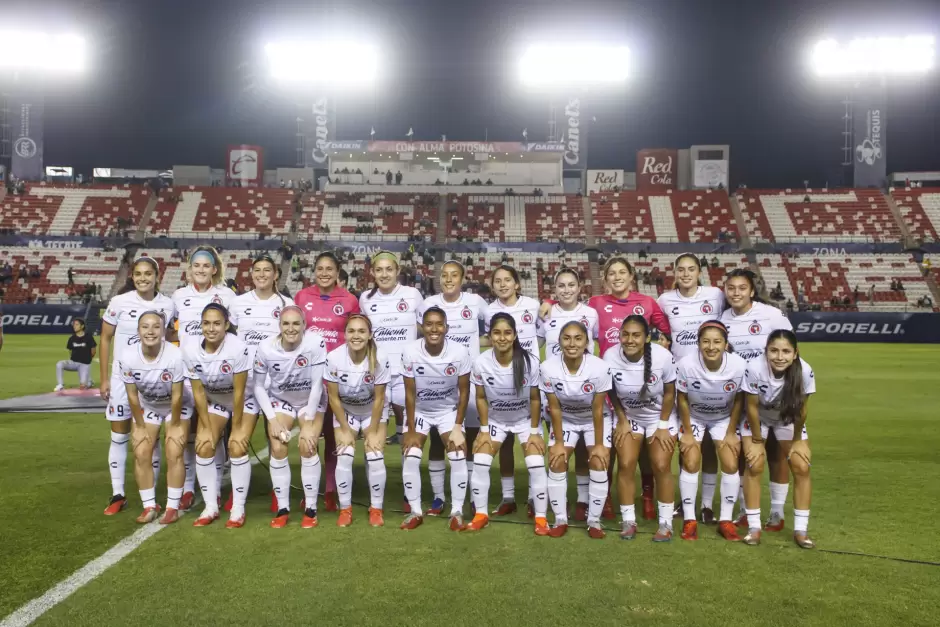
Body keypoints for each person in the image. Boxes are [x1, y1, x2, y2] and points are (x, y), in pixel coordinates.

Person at [589, 256, 672, 519]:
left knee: (647, 449)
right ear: (605, 279)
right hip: (610, 386)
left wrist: (664, 342)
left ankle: (647, 495)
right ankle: (605, 499)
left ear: (631, 276)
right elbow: (572, 314)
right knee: (613, 447)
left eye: (621, 272)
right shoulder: (595, 303)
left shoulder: (646, 303)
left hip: (641, 385)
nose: (616, 277)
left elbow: (666, 329)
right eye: (611, 273)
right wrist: (550, 303)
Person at [99, 256, 176, 516]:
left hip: (154, 381)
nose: (143, 278)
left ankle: (150, 497)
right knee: (120, 436)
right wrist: (105, 377)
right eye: (138, 274)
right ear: (132, 276)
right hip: (123, 380)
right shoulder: (119, 302)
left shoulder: (168, 304)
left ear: (157, 276)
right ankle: (118, 493)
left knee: (149, 438)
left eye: (148, 274)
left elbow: (171, 338)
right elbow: (106, 338)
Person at [719, 268, 794, 526]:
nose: (736, 293)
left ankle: (777, 511)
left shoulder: (771, 315)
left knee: (776, 453)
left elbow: (792, 350)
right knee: (743, 455)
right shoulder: (722, 320)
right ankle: (744, 510)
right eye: (731, 288)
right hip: (740, 397)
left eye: (742, 288)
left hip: (773, 396)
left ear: (752, 291)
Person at [657, 253, 726, 523]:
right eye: (681, 270)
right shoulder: (665, 300)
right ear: (675, 272)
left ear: (699, 272)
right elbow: (655, 328)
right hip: (679, 381)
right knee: (683, 443)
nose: (686, 274)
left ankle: (707, 505)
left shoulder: (716, 295)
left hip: (712, 379)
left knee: (709, 445)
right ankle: (681, 502)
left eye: (691, 269)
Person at [465, 313, 548, 535]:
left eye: (507, 333)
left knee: (536, 463)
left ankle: (541, 518)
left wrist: (534, 432)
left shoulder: (530, 361)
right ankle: (480, 514)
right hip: (496, 421)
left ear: (514, 336)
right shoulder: (481, 362)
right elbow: (480, 398)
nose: (502, 338)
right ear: (490, 336)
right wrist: (483, 431)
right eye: (497, 333)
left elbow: (535, 399)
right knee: (481, 460)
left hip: (525, 422)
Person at [418, 261, 489, 516]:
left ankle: (469, 494)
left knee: (467, 438)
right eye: (444, 275)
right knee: (438, 440)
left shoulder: (476, 302)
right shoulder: (428, 304)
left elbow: (499, 323)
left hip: (469, 380)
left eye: (454, 275)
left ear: (463, 278)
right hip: (439, 382)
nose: (449, 279)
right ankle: (438, 497)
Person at [227, 254, 295, 515]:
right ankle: (237, 496)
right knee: (238, 441)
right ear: (251, 274)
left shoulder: (286, 303)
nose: (262, 275)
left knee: (277, 441)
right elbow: (230, 337)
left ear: (276, 274)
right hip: (246, 383)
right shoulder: (238, 303)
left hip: (276, 385)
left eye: (268, 270)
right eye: (258, 270)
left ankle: (280, 497)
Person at [172, 245, 235, 511]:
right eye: (196, 265)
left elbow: (236, 332)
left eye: (205, 266)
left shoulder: (227, 295)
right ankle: (187, 486)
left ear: (214, 269)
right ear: (189, 269)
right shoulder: (177, 297)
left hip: (217, 377)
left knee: (213, 433)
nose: (200, 270)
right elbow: (167, 332)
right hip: (187, 375)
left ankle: (216, 487)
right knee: (188, 434)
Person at [182, 304, 257, 527]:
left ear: (226, 325)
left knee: (237, 445)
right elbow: (197, 391)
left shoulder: (238, 348)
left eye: (217, 323)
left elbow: (240, 391)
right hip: (215, 400)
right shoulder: (190, 348)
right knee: (204, 445)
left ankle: (238, 509)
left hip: (243, 401)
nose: (211, 328)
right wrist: (207, 429)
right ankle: (210, 507)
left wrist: (235, 429)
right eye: (206, 323)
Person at [253, 306, 328, 528]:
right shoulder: (265, 347)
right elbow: (258, 387)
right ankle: (283, 509)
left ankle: (311, 509)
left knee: (308, 444)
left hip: (309, 401)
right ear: (279, 326)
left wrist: (309, 423)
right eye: (286, 324)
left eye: (296, 323)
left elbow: (317, 384)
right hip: (281, 400)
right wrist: (272, 420)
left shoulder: (315, 343)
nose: (291, 328)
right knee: (277, 446)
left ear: (304, 325)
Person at [399, 307, 473, 531]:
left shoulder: (459, 352)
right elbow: (410, 394)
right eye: (429, 324)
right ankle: (415, 511)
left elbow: (464, 393)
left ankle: (457, 511)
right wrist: (411, 430)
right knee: (411, 454)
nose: (434, 329)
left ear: (446, 328)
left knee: (458, 452)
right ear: (422, 327)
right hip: (420, 411)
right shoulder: (410, 352)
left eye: (439, 324)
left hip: (447, 412)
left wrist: (458, 426)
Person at [740, 329, 815, 548]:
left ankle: (801, 530)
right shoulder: (754, 368)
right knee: (754, 465)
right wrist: (756, 441)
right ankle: (754, 528)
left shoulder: (805, 371)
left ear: (795, 353)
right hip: (758, 419)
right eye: (773, 351)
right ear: (766, 352)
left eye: (785, 351)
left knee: (802, 466)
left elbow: (801, 410)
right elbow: (751, 407)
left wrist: (798, 440)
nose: (779, 357)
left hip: (787, 419)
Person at [605, 315, 677, 541]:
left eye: (636, 335)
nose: (629, 340)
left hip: (660, 417)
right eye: (625, 334)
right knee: (625, 464)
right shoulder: (610, 356)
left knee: (661, 464)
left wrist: (663, 426)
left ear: (647, 337)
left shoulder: (662, 356)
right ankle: (628, 521)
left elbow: (670, 393)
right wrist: (622, 418)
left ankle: (665, 524)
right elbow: (611, 391)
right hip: (630, 416)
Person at [536, 268, 599, 520]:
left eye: (571, 285)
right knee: (555, 446)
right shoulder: (546, 314)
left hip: (584, 391)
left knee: (584, 446)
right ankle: (550, 498)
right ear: (554, 289)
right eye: (560, 286)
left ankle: (583, 501)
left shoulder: (590, 314)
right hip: (553, 391)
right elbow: (535, 344)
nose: (566, 290)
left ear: (580, 287)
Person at [120, 311, 193, 524]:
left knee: (174, 449)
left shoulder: (176, 355)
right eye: (145, 326)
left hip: (176, 406)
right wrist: (140, 427)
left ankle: (172, 507)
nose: (150, 331)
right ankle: (149, 505)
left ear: (163, 331)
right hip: (150, 405)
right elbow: (132, 395)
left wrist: (177, 425)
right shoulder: (127, 357)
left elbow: (178, 395)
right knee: (141, 450)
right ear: (138, 330)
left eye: (155, 327)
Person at [675, 321, 746, 542]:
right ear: (698, 344)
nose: (711, 346)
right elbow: (682, 398)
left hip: (723, 418)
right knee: (691, 460)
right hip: (694, 417)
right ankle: (689, 519)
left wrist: (732, 431)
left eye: (717, 342)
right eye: (705, 341)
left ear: (726, 344)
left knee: (731, 463)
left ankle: (725, 520)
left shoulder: (738, 365)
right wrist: (687, 432)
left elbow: (739, 400)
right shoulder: (686, 364)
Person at [542, 321, 613, 538]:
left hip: (595, 420)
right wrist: (559, 444)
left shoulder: (599, 367)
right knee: (556, 461)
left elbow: (598, 408)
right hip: (566, 419)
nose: (572, 343)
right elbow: (554, 407)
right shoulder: (548, 368)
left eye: (578, 338)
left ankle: (594, 521)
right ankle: (560, 519)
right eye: (567, 338)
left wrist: (599, 446)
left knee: (598, 462)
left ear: (586, 342)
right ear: (559, 342)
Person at [486, 265, 542, 516]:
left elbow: (547, 331)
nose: (503, 284)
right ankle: (508, 497)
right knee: (505, 441)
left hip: (530, 378)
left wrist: (549, 301)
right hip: (501, 380)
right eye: (497, 281)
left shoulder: (533, 305)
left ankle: (533, 497)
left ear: (517, 284)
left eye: (508, 280)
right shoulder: (488, 311)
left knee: (533, 438)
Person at [325, 314, 391, 527]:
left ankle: (376, 509)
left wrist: (371, 431)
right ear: (345, 334)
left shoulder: (381, 357)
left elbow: (380, 398)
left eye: (361, 331)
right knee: (345, 455)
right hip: (346, 412)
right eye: (351, 331)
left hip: (373, 411)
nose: (356, 336)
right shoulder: (334, 357)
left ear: (370, 335)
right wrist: (344, 428)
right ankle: (345, 509)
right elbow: (333, 398)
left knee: (375, 455)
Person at [358, 251, 422, 450]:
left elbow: (425, 329)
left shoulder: (412, 295)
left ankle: (408, 478)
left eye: (388, 269)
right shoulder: (365, 299)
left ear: (397, 271)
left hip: (406, 373)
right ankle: (374, 477)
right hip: (377, 373)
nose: (384, 275)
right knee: (374, 432)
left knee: (409, 435)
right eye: (379, 270)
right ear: (373, 273)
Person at [56, 318, 97, 391]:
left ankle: (89, 381)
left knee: (83, 386)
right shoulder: (72, 338)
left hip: (84, 364)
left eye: (77, 324)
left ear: (82, 326)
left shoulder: (88, 337)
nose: (74, 326)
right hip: (73, 363)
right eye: (74, 324)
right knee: (59, 364)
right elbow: (70, 351)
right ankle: (60, 384)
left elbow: (93, 351)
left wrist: (87, 360)